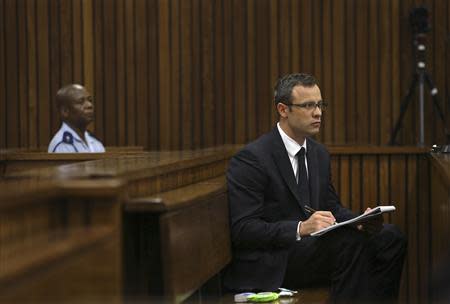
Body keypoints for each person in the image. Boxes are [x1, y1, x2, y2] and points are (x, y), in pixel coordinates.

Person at [224, 73, 406, 303]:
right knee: (349, 244)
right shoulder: (252, 158)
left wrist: (359, 220)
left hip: (313, 250)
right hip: (275, 258)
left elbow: (332, 208)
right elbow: (243, 229)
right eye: (308, 105)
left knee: (390, 237)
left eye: (320, 105)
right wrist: (300, 228)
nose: (318, 113)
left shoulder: (318, 153)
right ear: (283, 110)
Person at [48, 84, 105, 153]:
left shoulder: (94, 141)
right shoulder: (62, 144)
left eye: (90, 100)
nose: (89, 105)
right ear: (65, 111)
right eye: (81, 102)